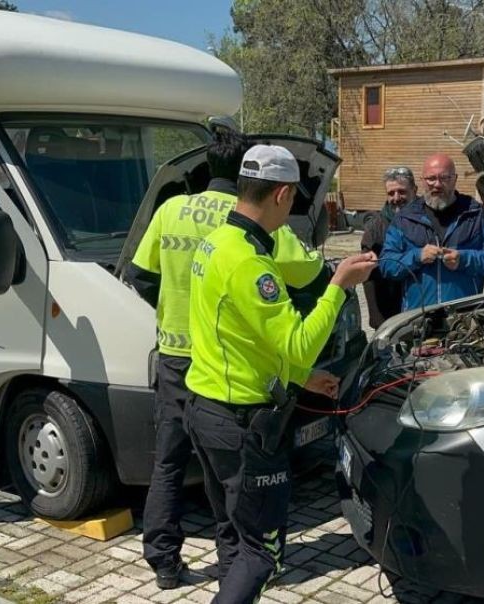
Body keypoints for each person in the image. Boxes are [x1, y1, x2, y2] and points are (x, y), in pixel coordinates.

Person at [127, 129, 326, 590]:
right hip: (226, 370)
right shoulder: (252, 227)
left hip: (177, 360)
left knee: (169, 464)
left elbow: (139, 275)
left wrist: (173, 310)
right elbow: (311, 277)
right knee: (230, 483)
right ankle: (234, 563)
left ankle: (164, 562)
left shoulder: (170, 209)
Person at [184, 144, 376, 604]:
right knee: (261, 554)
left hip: (205, 409)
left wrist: (301, 378)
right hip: (242, 425)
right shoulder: (251, 262)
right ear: (283, 194)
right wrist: (337, 287)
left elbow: (242, 338)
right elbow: (297, 342)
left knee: (233, 535)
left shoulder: (217, 241)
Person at [379, 152, 484, 310]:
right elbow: (386, 265)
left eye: (445, 178)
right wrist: (416, 256)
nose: (437, 184)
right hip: (418, 318)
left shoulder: (477, 214)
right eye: (431, 178)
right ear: (423, 181)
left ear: (455, 179)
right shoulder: (404, 218)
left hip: (465, 316)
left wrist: (464, 259)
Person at [361, 167, 415, 329]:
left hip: (420, 305)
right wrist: (375, 315)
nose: (396, 198)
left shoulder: (427, 218)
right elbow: (368, 274)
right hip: (390, 310)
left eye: (402, 192)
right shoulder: (375, 227)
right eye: (391, 193)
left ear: (414, 190)